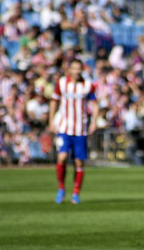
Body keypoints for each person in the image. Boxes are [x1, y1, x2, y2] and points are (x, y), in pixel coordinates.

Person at [49, 59, 99, 204]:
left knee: (79, 162)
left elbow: (95, 105)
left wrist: (94, 122)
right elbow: (53, 101)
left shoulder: (87, 85)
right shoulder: (62, 83)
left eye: (79, 69)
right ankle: (61, 188)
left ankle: (76, 192)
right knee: (62, 157)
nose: (77, 71)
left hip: (80, 129)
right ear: (69, 69)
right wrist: (51, 121)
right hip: (64, 128)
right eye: (74, 68)